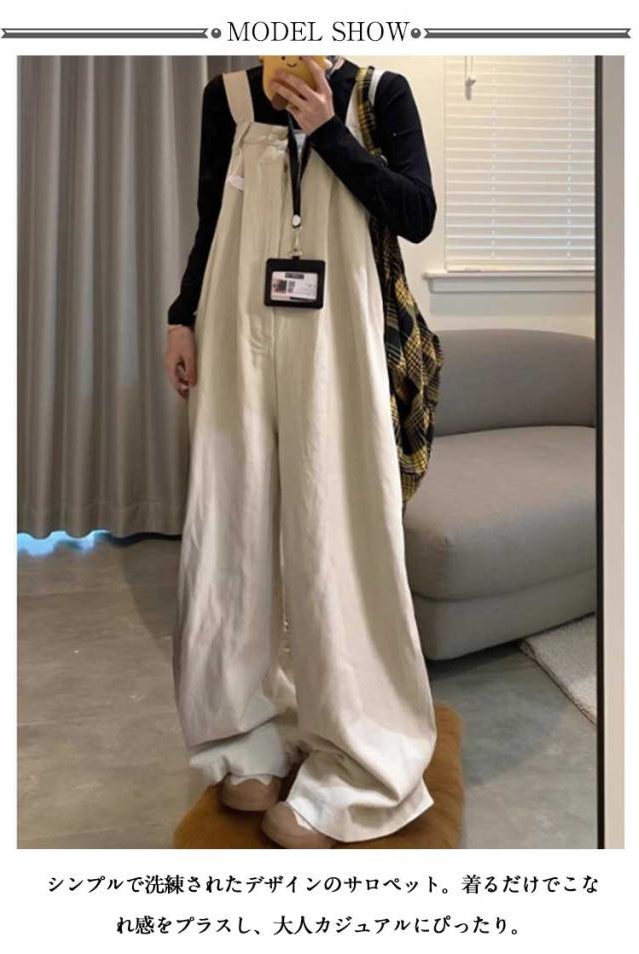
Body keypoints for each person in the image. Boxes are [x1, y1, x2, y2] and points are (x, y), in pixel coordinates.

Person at [164, 55, 439, 849]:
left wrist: (327, 131)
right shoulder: (226, 98)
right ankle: (240, 736)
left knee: (340, 537)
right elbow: (210, 219)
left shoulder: (379, 94)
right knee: (229, 532)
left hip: (340, 338)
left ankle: (360, 763)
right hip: (234, 328)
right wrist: (182, 315)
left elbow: (416, 213)